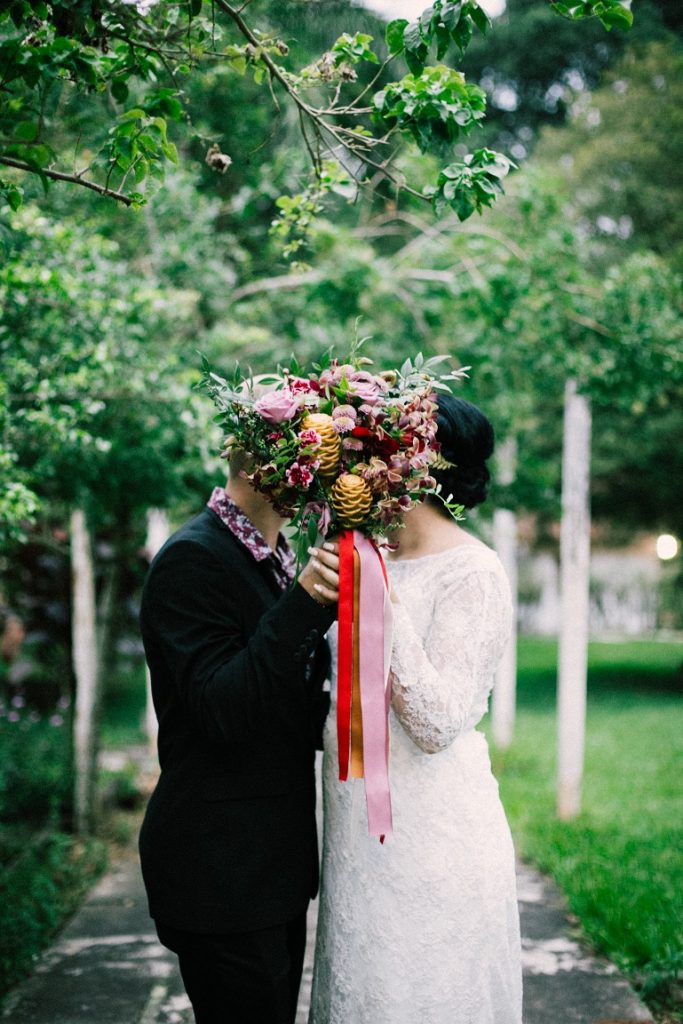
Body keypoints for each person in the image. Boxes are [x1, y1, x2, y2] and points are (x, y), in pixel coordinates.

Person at [310, 394, 523, 1024]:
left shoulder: (475, 572)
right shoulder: (364, 552)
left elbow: (435, 722)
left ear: (424, 466)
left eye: (383, 447)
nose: (364, 460)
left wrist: (381, 611)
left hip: (431, 833)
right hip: (353, 832)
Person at [138, 446, 341, 1024]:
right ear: (254, 462)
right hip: (220, 866)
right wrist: (303, 602)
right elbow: (221, 709)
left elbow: (284, 699)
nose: (325, 470)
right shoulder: (192, 559)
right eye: (310, 454)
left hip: (269, 866)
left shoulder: (270, 555)